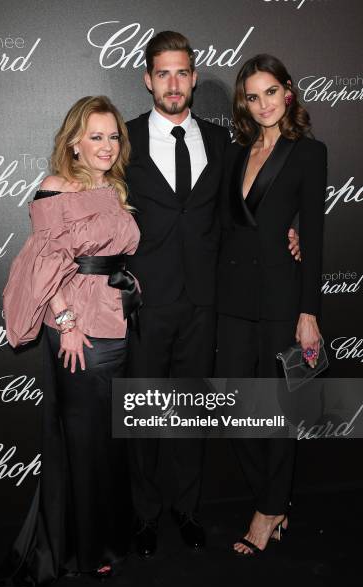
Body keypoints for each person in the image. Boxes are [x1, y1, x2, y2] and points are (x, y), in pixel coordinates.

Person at [124, 32, 300, 559]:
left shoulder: (223, 143)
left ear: (195, 78)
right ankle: (145, 515)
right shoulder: (124, 140)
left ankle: (186, 508)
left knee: (190, 415)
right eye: (163, 74)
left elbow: (249, 211)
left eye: (182, 73)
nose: (173, 84)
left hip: (207, 303)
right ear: (148, 79)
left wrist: (294, 230)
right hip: (146, 303)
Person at [0, 95, 141, 587]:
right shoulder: (54, 188)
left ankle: (109, 535)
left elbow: (114, 257)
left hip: (119, 324)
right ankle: (82, 548)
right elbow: (46, 263)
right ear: (74, 143)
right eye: (95, 136)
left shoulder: (116, 188)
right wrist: (66, 321)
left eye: (113, 136)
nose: (106, 145)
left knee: (108, 439)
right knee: (81, 442)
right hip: (78, 331)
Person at [216, 54, 327, 555]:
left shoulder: (308, 152)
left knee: (280, 412)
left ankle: (267, 511)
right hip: (233, 301)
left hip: (283, 300)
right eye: (253, 96)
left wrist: (309, 312)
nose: (263, 104)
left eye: (271, 92)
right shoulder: (235, 153)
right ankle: (274, 499)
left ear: (288, 91)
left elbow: (316, 237)